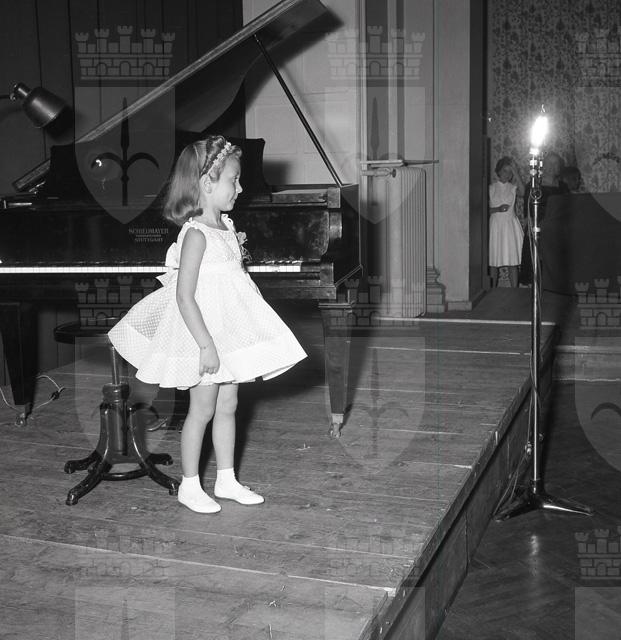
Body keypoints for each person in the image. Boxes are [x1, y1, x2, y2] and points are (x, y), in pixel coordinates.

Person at [108, 135, 307, 514]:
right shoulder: (196, 235)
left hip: (228, 331)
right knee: (201, 409)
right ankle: (190, 484)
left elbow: (234, 285)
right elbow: (184, 297)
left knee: (229, 404)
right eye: (234, 180)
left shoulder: (226, 227)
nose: (240, 188)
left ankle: (226, 479)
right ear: (206, 183)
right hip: (204, 338)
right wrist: (205, 346)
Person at [519, 151, 569, 286]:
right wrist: (529, 224)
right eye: (549, 163)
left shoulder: (563, 187)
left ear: (559, 167)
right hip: (538, 227)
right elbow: (527, 208)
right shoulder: (534, 185)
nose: (553, 166)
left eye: (556, 163)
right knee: (536, 262)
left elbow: (568, 208)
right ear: (544, 166)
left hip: (557, 230)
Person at [488, 156, 525, 288]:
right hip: (496, 226)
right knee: (494, 261)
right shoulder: (491, 188)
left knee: (512, 261)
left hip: (510, 226)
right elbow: (484, 210)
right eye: (505, 171)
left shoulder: (513, 188)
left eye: (510, 172)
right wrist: (497, 209)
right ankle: (492, 290)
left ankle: (514, 290)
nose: (507, 174)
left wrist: (516, 172)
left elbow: (523, 192)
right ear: (498, 171)